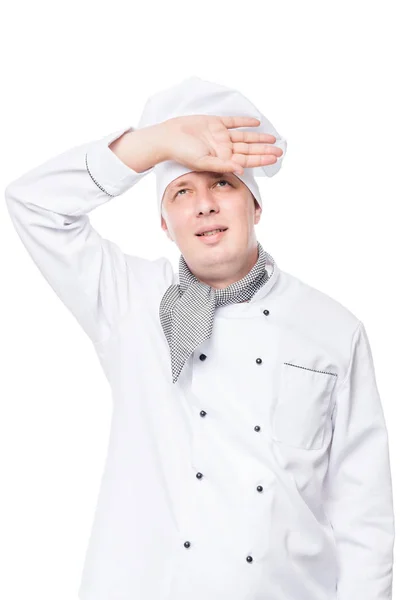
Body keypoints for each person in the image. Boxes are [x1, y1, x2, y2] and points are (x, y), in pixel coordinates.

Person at [4, 76, 395, 600]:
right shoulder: (131, 301)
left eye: (223, 184)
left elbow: (363, 514)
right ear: (164, 224)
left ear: (256, 206)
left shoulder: (331, 328)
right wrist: (154, 143)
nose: (204, 205)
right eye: (181, 192)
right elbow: (34, 205)